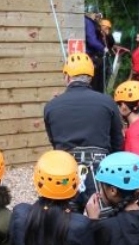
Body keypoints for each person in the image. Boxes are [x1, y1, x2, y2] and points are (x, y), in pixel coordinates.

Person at [44, 52, 125, 208]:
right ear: (91, 78)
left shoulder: (51, 107)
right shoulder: (107, 103)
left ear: (67, 77)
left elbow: (54, 142)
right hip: (99, 168)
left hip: (65, 170)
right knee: (103, 217)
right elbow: (117, 142)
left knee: (66, 218)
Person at [114, 81, 139, 170]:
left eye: (118, 105)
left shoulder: (133, 132)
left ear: (123, 106)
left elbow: (136, 163)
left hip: (132, 180)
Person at [84, 4, 108, 93]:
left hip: (88, 54)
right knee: (95, 81)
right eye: (96, 15)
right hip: (91, 55)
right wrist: (103, 48)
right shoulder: (89, 22)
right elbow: (92, 40)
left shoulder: (85, 21)